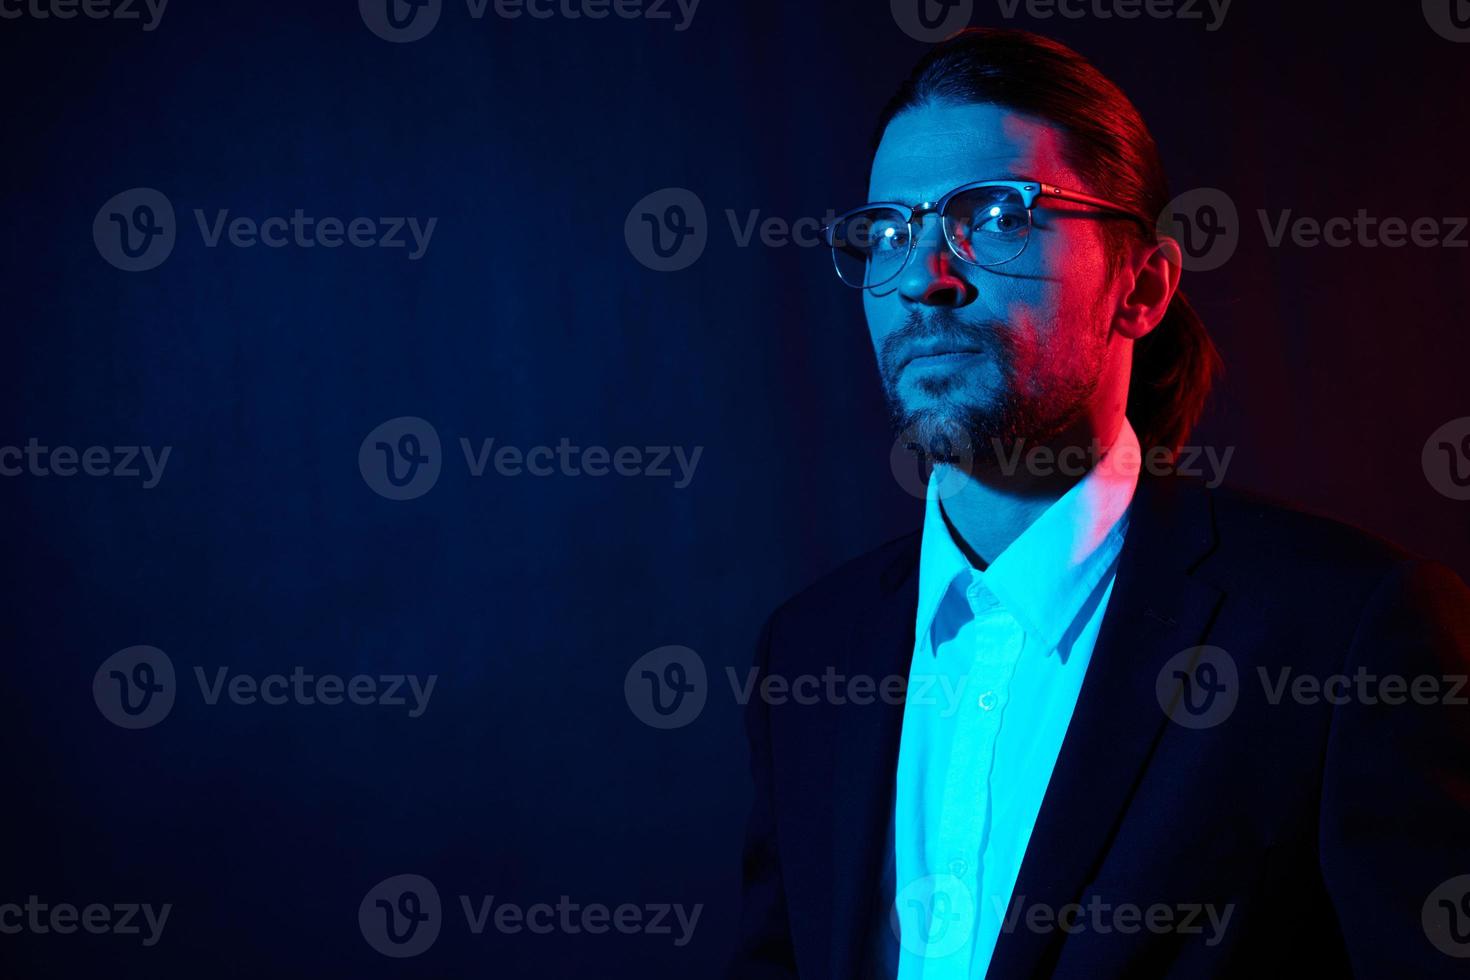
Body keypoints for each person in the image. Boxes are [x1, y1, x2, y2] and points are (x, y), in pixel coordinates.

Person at [728, 27, 1470, 979]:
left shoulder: (1347, 636)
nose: (924, 276)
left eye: (994, 215)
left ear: (1144, 287)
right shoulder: (807, 651)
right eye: (889, 231)